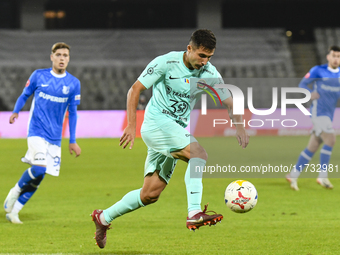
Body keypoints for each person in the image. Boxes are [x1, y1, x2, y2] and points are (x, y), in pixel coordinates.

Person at [91, 29, 249, 249]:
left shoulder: (208, 72)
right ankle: (194, 211)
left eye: (209, 57)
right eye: (201, 56)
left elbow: (230, 101)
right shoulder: (166, 63)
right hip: (157, 123)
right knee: (199, 153)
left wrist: (240, 126)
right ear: (189, 49)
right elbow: (135, 89)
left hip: (173, 129)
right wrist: (131, 125)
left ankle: (103, 217)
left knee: (150, 194)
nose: (205, 61)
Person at [3, 42, 81, 223]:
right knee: (39, 168)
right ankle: (14, 191)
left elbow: (73, 113)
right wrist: (16, 111)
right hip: (36, 130)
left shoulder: (73, 84)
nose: (62, 58)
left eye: (66, 56)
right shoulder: (39, 76)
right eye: (59, 55)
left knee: (39, 177)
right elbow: (24, 95)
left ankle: (14, 212)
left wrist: (73, 140)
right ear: (52, 57)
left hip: (55, 137)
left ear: (69, 59)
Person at [286, 45, 340, 191]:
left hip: (328, 114)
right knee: (331, 139)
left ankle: (293, 174)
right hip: (318, 112)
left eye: (338, 56)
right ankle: (322, 176)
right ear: (328, 57)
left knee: (313, 146)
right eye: (333, 55)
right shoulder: (318, 70)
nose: (336, 59)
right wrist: (310, 93)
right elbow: (302, 83)